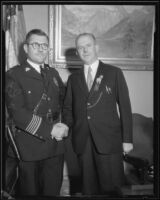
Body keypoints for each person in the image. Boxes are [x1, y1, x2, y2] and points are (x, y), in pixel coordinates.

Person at [63, 33, 133, 196]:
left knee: (112, 188)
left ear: (96, 47)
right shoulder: (73, 79)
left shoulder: (114, 72)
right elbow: (67, 108)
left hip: (109, 141)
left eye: (88, 45)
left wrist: (127, 139)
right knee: (88, 190)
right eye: (80, 47)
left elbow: (125, 107)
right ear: (77, 52)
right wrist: (65, 125)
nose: (84, 50)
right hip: (83, 142)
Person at [5, 29, 69, 196]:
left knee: (52, 192)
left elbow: (66, 103)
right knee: (30, 194)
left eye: (45, 45)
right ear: (26, 48)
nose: (41, 49)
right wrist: (50, 129)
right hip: (29, 146)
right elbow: (17, 113)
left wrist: (65, 125)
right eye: (36, 45)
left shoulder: (53, 73)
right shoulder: (13, 75)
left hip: (56, 146)